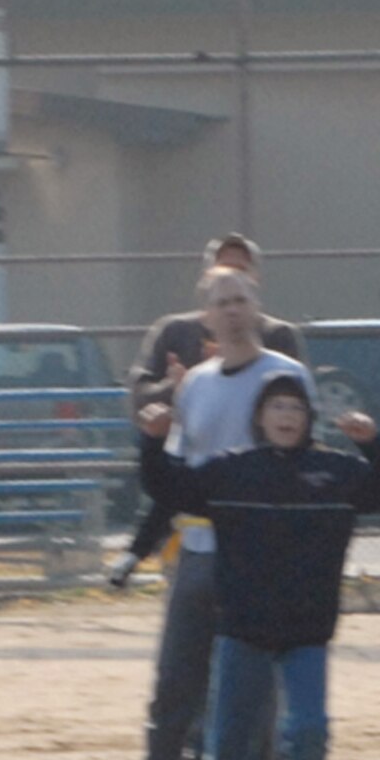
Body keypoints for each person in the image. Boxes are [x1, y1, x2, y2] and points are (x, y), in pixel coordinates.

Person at [139, 373, 380, 760]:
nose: (287, 416)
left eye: (295, 408)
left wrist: (374, 443)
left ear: (308, 418)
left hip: (307, 632)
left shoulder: (335, 473)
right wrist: (154, 441)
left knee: (309, 733)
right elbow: (167, 485)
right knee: (229, 742)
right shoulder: (231, 472)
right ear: (260, 418)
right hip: (242, 629)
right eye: (277, 407)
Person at [110, 266, 312, 760]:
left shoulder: (286, 376)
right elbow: (180, 480)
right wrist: (138, 547)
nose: (231, 310)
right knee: (174, 686)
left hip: (258, 559)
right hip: (198, 556)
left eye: (240, 300)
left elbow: (302, 464)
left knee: (254, 695)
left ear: (256, 308)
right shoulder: (194, 384)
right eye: (220, 302)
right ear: (206, 316)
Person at [110, 233, 308, 592]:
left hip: (260, 530)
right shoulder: (176, 336)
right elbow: (143, 405)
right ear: (206, 296)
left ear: (254, 290)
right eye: (221, 276)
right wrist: (176, 387)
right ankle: (142, 550)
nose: (231, 308)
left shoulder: (280, 347)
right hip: (198, 532)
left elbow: (301, 437)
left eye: (240, 285)